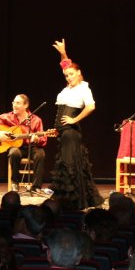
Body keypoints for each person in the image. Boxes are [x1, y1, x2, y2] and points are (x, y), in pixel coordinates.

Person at [49, 39, 103, 209]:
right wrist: (62, 53)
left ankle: (73, 203)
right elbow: (65, 66)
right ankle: (70, 201)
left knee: (69, 166)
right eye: (66, 75)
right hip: (64, 134)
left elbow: (91, 106)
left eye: (72, 74)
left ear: (79, 73)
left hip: (71, 133)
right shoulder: (68, 89)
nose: (68, 76)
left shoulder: (83, 89)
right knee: (69, 166)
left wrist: (74, 119)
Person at [0, 94, 49, 196]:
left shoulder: (36, 120)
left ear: (26, 105)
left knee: (41, 154)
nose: (14, 105)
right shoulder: (7, 117)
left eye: (18, 103)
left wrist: (36, 139)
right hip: (16, 147)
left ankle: (36, 187)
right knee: (14, 152)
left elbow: (43, 139)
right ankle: (15, 183)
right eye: (14, 103)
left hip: (32, 147)